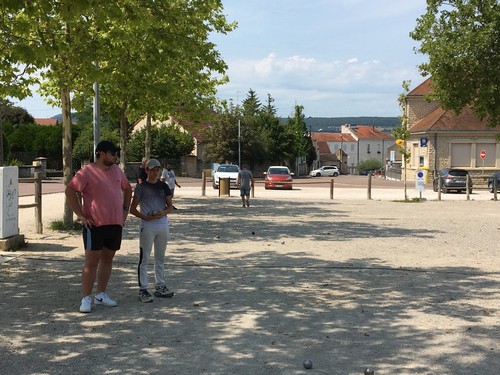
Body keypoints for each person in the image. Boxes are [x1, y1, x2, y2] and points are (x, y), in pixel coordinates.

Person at [65, 140, 132, 313]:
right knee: (91, 261)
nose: (115, 157)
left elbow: (128, 189)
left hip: (115, 223)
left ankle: (101, 294)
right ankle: (86, 298)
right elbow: (70, 190)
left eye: (116, 154)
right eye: (113, 153)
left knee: (108, 259)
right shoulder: (87, 172)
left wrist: (125, 211)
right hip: (94, 224)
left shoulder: (117, 171)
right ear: (101, 153)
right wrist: (81, 215)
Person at [130, 158, 174, 303]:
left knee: (160, 257)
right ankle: (143, 289)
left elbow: (170, 206)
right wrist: (145, 217)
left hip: (162, 225)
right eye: (152, 169)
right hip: (147, 226)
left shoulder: (164, 186)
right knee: (145, 258)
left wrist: (164, 212)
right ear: (146, 170)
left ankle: (160, 285)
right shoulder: (141, 187)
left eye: (158, 169)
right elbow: (132, 208)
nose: (155, 172)